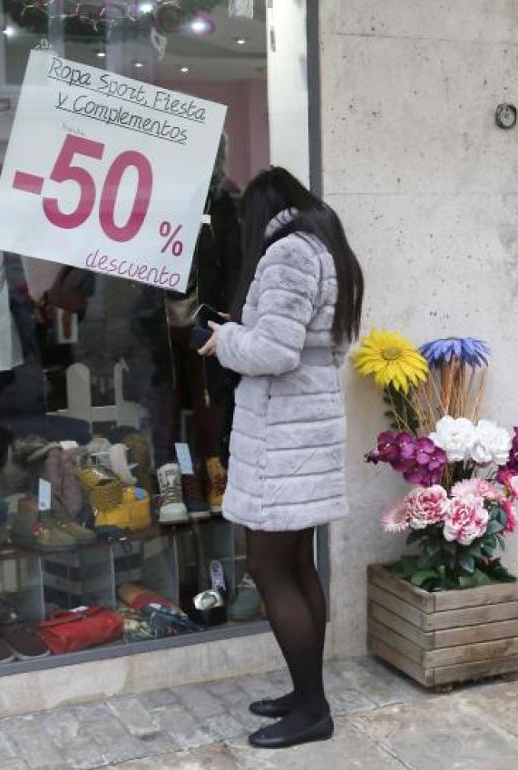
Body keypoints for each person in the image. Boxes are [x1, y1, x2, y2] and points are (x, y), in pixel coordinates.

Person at [197, 167, 364, 749]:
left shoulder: (288, 251)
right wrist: (242, 332)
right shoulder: (325, 246)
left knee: (270, 569)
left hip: (283, 437)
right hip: (302, 430)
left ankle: (312, 709)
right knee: (295, 565)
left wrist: (226, 342)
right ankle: (305, 693)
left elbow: (274, 349)